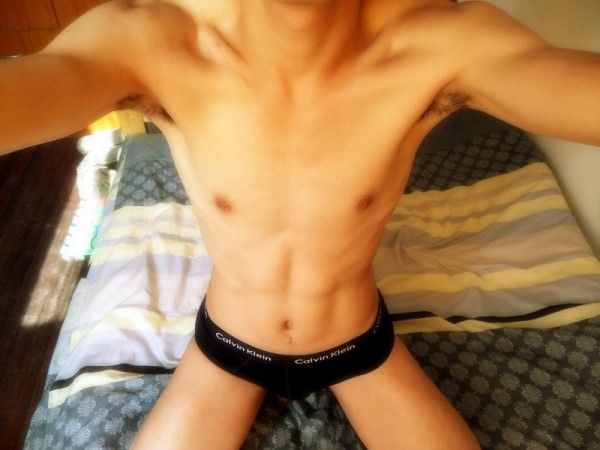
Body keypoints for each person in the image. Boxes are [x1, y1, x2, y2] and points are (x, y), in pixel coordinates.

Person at [2, 0, 599, 448]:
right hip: (226, 345)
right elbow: (44, 81)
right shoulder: (151, 38)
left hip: (359, 342)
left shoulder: (443, 42)